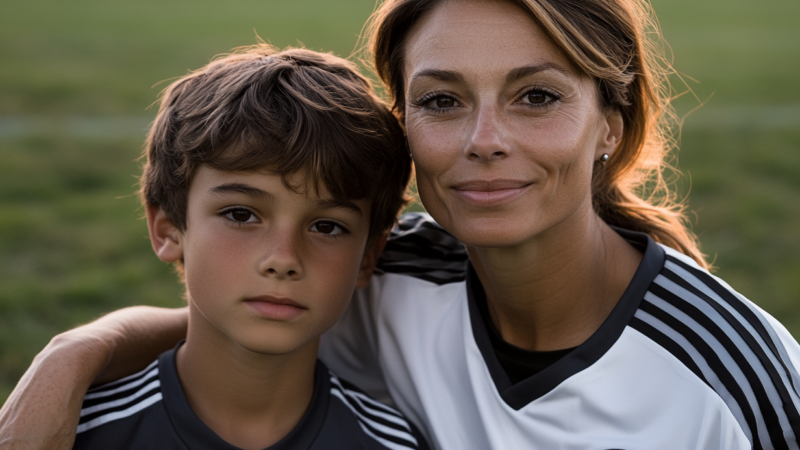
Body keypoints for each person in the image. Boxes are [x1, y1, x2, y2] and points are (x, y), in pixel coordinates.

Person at [1, 0, 799, 449]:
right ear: (404, 123)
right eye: (443, 101)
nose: (485, 141)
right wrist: (75, 354)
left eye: (537, 96)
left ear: (610, 127)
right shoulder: (389, 274)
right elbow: (229, 321)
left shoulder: (731, 377)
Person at [13, 43, 430, 450]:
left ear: (368, 255)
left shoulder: (393, 442)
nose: (283, 259)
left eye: (326, 226)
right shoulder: (68, 431)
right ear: (168, 229)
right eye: (241, 215)